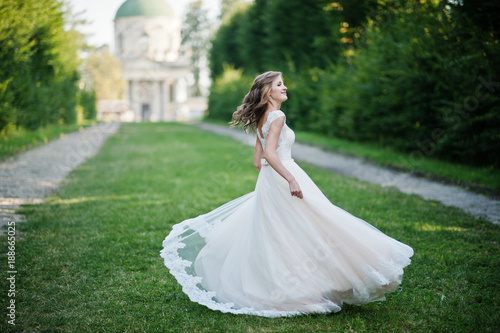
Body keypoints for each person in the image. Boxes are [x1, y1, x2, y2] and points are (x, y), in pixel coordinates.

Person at [160, 71, 414, 317]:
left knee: (281, 233)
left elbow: (258, 162)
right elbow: (269, 155)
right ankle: (324, 282)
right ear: (268, 91)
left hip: (269, 181)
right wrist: (291, 178)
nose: (285, 87)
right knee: (318, 223)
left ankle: (293, 287)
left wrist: (273, 176)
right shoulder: (277, 116)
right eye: (280, 84)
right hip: (286, 176)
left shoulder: (262, 118)